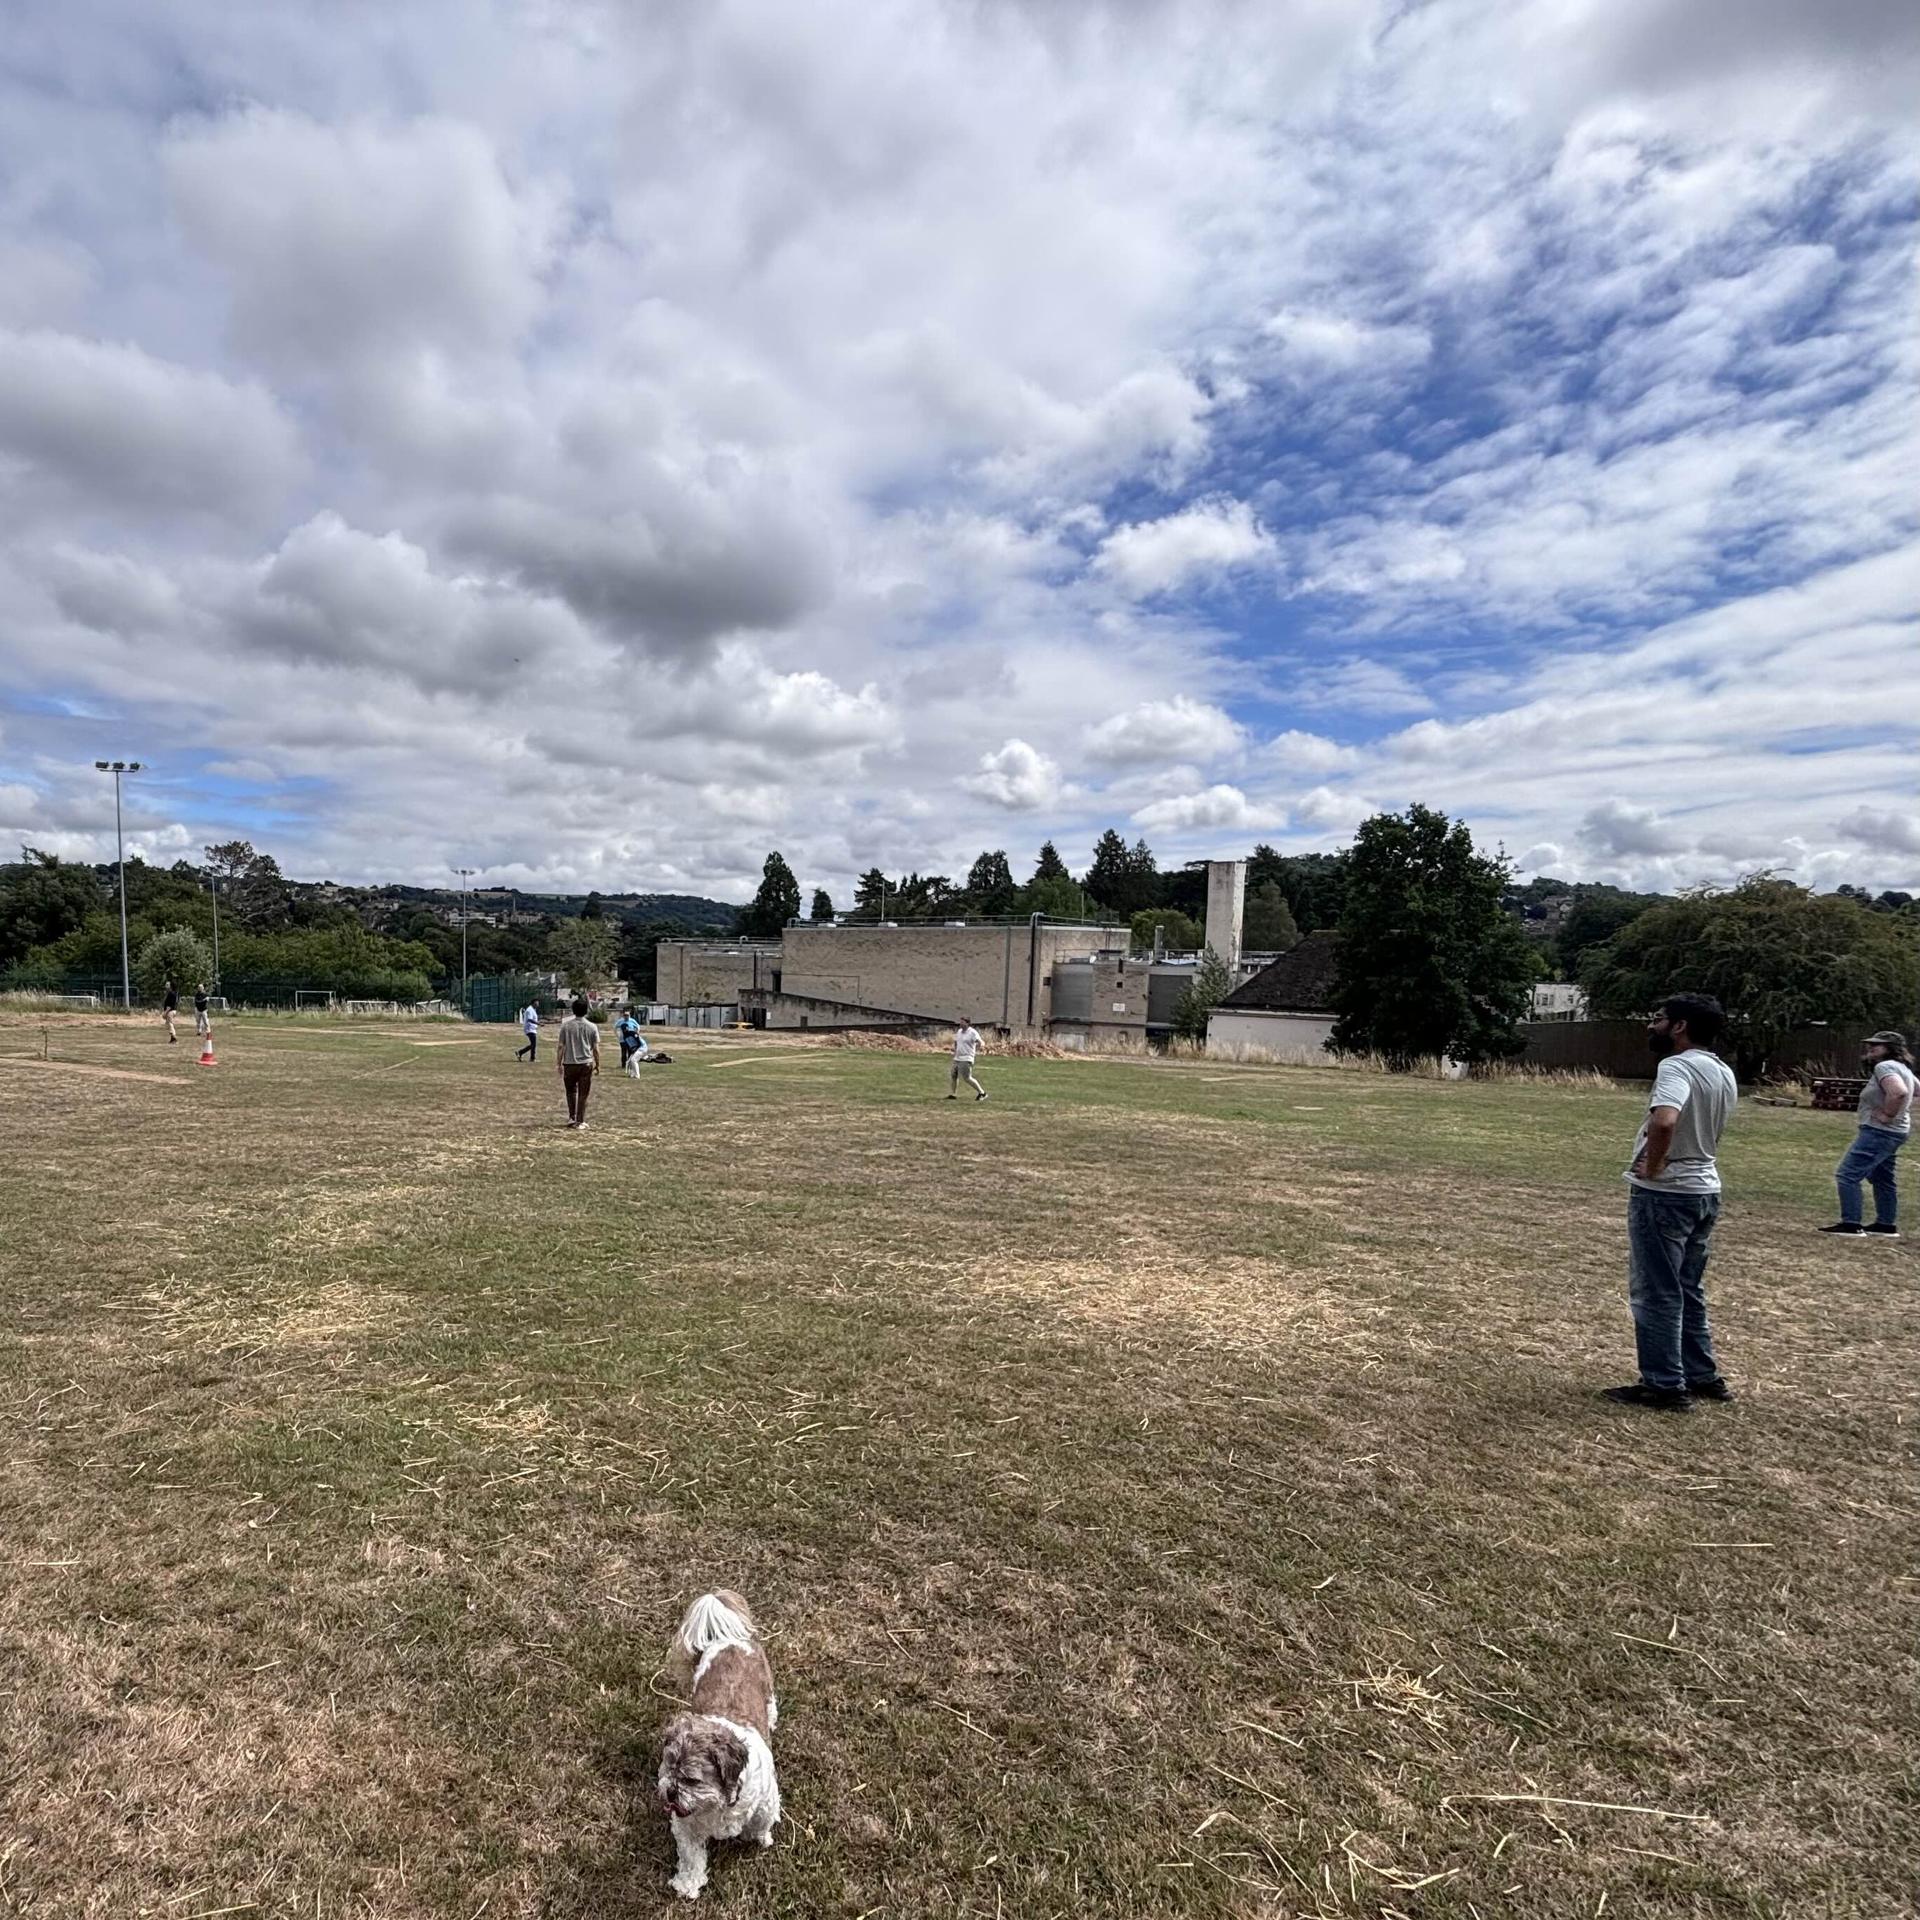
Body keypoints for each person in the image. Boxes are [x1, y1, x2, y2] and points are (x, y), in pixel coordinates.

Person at [1607, 991, 1739, 1413]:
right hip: (1704, 1190)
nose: (1651, 1024)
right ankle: (1701, 1376)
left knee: (1656, 1291)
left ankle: (1664, 1384)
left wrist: (1654, 1166)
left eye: (1658, 1018)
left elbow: (1665, 1119)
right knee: (1688, 1288)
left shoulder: (1676, 1066)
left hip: (1667, 1193)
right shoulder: (1721, 1071)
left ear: (1679, 1026)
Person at [1820, 1029, 1915, 1238]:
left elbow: (1899, 1092)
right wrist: (1901, 1114)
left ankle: (1851, 1224)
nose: (1870, 1047)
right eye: (1870, 1044)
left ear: (1890, 1049)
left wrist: (1889, 1114)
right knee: (1882, 1177)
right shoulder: (1904, 1069)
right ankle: (1885, 1225)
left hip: (1879, 1131)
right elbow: (1915, 1090)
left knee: (1847, 1175)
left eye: (1877, 1045)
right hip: (1895, 1132)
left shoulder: (1885, 1066)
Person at [557, 995, 600, 1129]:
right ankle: (580, 1120)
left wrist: (558, 1063)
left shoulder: (566, 1026)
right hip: (585, 1063)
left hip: (569, 1063)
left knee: (570, 1091)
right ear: (586, 1011)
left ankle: (572, 1117)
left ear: (573, 1010)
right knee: (583, 1093)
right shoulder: (592, 1027)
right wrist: (598, 1064)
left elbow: (561, 1046)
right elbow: (596, 1048)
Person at [947, 1018, 987, 1101]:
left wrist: (978, 1049)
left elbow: (981, 1042)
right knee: (953, 1075)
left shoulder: (972, 1032)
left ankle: (982, 1093)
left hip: (967, 1058)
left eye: (962, 1022)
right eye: (960, 1022)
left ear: (967, 1023)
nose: (960, 1024)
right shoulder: (959, 1032)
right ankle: (953, 1094)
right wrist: (955, 1051)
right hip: (957, 1058)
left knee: (967, 1078)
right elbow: (956, 1042)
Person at [162, 978, 179, 1044]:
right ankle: (172, 1039)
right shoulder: (171, 993)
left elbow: (170, 1005)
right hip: (171, 1011)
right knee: (168, 1024)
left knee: (170, 1024)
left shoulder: (171, 994)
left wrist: (165, 1012)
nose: (165, 986)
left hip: (170, 1011)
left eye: (167, 985)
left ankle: (174, 1037)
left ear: (170, 986)